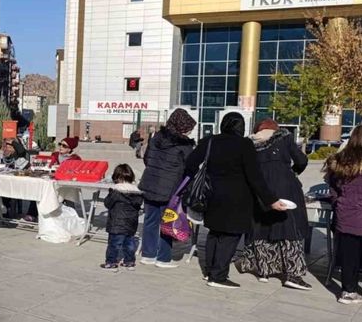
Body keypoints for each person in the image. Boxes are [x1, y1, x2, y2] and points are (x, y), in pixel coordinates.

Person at [185, 112, 286, 289]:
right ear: (241, 127)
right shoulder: (244, 144)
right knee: (230, 235)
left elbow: (191, 163)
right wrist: (271, 200)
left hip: (212, 195)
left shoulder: (210, 141)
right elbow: (255, 176)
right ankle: (218, 276)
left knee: (215, 232)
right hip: (237, 198)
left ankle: (210, 271)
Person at [237, 119, 310, 289]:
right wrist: (293, 172)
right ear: (275, 129)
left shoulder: (250, 143)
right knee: (289, 228)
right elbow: (301, 160)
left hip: (260, 189)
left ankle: (264, 270)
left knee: (262, 227)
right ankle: (293, 274)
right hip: (285, 188)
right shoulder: (284, 138)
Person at [138, 108, 196, 268]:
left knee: (150, 220)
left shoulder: (156, 138)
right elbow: (190, 167)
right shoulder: (184, 145)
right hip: (170, 188)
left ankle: (148, 255)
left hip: (150, 183)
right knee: (168, 221)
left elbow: (147, 158)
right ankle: (163, 258)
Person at [324, 125, 362, 304]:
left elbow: (332, 187)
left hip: (346, 214)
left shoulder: (340, 160)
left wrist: (337, 202)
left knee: (349, 255)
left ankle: (348, 291)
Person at [101, 164, 142, 271]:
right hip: (131, 223)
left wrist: (110, 193)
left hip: (116, 223)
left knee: (114, 244)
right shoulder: (137, 191)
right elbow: (138, 205)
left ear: (117, 177)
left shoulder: (116, 190)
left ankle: (111, 262)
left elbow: (107, 203)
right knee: (129, 244)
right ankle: (129, 262)